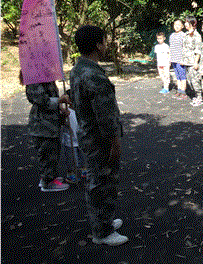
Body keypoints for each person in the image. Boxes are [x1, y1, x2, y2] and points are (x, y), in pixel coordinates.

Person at [70, 25, 127, 246]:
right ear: (98, 45)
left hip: (87, 135)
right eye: (104, 40)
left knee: (98, 181)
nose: (106, 44)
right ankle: (102, 232)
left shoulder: (79, 69)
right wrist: (115, 143)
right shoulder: (94, 75)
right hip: (99, 139)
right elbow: (106, 116)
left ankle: (104, 221)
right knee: (102, 183)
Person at [24, 72, 71, 192]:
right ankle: (47, 182)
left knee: (53, 152)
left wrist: (60, 108)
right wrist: (59, 100)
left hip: (51, 122)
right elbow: (41, 100)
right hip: (43, 124)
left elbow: (52, 96)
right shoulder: (34, 78)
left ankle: (50, 177)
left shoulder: (45, 76)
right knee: (47, 153)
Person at [181, 16, 203, 105]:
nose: (185, 24)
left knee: (195, 81)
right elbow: (184, 48)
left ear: (193, 24)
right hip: (186, 62)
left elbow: (198, 50)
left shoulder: (196, 35)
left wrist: (196, 62)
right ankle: (196, 96)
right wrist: (182, 60)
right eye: (185, 22)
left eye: (187, 22)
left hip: (192, 62)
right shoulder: (186, 34)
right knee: (190, 81)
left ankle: (200, 98)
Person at [169, 19, 187, 99]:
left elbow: (185, 48)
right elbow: (171, 48)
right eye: (175, 24)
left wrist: (183, 59)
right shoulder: (172, 35)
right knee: (177, 76)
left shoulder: (183, 35)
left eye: (179, 25)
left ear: (182, 26)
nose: (177, 26)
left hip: (180, 60)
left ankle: (183, 91)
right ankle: (179, 90)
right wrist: (169, 58)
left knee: (182, 76)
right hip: (173, 59)